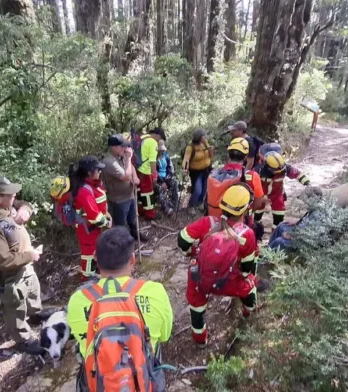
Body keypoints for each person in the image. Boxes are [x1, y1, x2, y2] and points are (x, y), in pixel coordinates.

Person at [67, 227, 174, 391]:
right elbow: (165, 336)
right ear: (132, 259)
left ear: (96, 257)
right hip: (142, 378)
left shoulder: (77, 300)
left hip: (100, 382)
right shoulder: (156, 292)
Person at [178, 185, 259, 346]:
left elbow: (182, 239)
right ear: (245, 209)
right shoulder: (247, 234)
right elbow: (246, 267)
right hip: (227, 282)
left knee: (196, 306)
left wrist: (190, 253)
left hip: (200, 278)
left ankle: (200, 340)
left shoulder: (207, 222)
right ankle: (248, 314)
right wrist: (242, 277)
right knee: (250, 286)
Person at [0, 174, 43, 352]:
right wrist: (30, 256)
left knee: (31, 289)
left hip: (24, 263)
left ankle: (35, 315)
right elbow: (2, 261)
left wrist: (25, 210)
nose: (15, 198)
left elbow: (24, 204)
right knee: (15, 305)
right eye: (10, 195)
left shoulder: (5, 206)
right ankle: (23, 339)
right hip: (9, 275)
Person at [206, 138, 266, 240]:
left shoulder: (214, 174)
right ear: (246, 157)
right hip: (239, 225)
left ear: (228, 154)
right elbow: (257, 204)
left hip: (212, 223)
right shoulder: (252, 176)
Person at [69, 156, 112, 281]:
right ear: (89, 172)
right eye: (98, 170)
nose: (100, 172)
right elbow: (94, 216)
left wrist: (106, 214)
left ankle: (94, 271)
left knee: (94, 250)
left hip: (92, 228)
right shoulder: (84, 191)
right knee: (89, 253)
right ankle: (87, 278)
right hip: (88, 229)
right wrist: (106, 222)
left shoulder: (91, 185)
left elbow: (99, 205)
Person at [101, 134, 147, 242]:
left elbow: (131, 168)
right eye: (122, 146)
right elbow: (126, 176)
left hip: (130, 195)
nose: (125, 149)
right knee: (120, 225)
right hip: (119, 199)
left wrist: (135, 177)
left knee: (132, 219)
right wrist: (129, 158)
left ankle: (135, 235)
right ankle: (121, 244)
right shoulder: (109, 162)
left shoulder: (121, 155)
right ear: (114, 147)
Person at [255, 147, 310, 229]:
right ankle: (257, 230)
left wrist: (308, 183)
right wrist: (261, 197)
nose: (280, 172)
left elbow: (298, 174)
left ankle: (275, 233)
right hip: (261, 196)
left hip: (277, 195)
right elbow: (253, 185)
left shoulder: (284, 167)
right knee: (257, 215)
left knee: (279, 217)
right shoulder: (259, 171)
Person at [136, 127, 166, 220]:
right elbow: (152, 161)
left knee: (139, 191)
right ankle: (150, 214)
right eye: (160, 138)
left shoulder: (142, 138)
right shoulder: (152, 142)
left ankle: (141, 210)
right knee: (148, 193)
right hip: (145, 171)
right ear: (157, 135)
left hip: (137, 168)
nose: (159, 141)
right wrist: (154, 175)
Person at [182, 129, 213, 213]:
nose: (205, 137)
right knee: (197, 190)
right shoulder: (190, 147)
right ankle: (191, 206)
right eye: (204, 136)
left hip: (206, 170)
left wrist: (211, 151)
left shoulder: (205, 143)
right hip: (196, 172)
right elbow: (186, 160)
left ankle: (199, 204)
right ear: (199, 137)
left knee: (204, 190)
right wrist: (185, 170)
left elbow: (210, 156)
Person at [156, 140, 177, 216]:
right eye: (160, 150)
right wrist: (162, 181)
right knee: (161, 187)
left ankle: (174, 203)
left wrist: (169, 178)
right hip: (158, 179)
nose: (161, 151)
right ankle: (166, 208)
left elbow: (170, 168)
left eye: (162, 150)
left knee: (175, 183)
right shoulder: (154, 157)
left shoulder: (166, 155)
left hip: (167, 177)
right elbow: (154, 172)